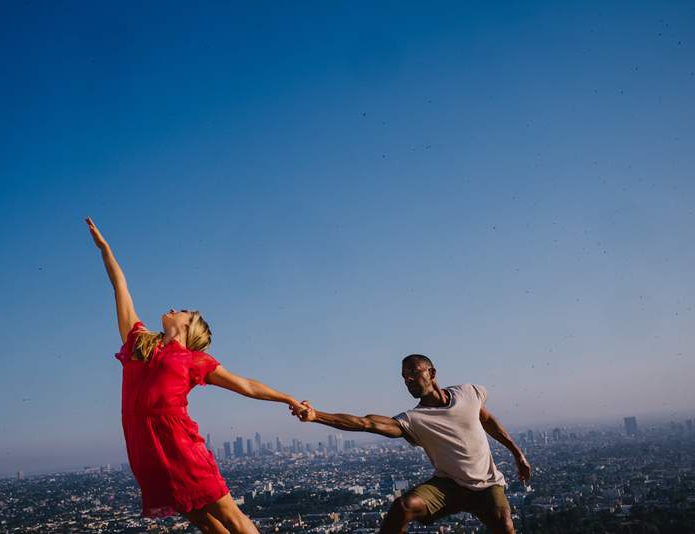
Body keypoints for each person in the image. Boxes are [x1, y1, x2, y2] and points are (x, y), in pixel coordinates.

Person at [86, 217, 305, 534]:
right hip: (146, 448)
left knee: (230, 516)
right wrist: (105, 249)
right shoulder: (137, 342)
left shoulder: (192, 360)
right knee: (204, 522)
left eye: (182, 311)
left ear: (189, 327)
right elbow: (119, 285)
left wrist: (287, 398)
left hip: (181, 445)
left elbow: (245, 385)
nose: (174, 308)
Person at [293, 354, 531, 534]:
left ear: (432, 373)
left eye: (413, 373)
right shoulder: (413, 420)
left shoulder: (469, 393)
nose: (408, 379)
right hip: (448, 487)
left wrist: (517, 454)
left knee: (506, 527)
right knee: (404, 506)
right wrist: (317, 416)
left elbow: (487, 420)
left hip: (487, 485)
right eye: (404, 377)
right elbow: (365, 423)